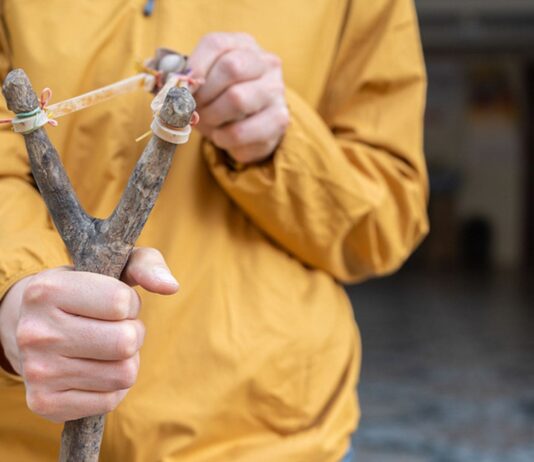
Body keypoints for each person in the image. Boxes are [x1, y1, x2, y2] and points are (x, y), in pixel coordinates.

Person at [0, 0, 428, 460]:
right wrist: (13, 298)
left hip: (267, 437)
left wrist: (279, 144)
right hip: (26, 437)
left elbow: (385, 223)